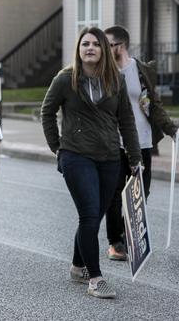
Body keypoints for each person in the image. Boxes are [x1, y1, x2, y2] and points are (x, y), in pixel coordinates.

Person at [41, 26, 142, 299]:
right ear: (78, 49)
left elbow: (127, 121)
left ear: (103, 50)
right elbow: (47, 112)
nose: (90, 48)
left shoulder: (115, 80)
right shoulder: (65, 79)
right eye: (85, 44)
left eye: (95, 44)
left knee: (95, 216)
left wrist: (135, 158)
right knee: (88, 215)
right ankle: (95, 278)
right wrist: (58, 149)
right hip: (76, 156)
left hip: (110, 157)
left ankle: (77, 266)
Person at [103, 25, 178, 261]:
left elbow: (153, 105)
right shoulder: (103, 73)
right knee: (114, 194)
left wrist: (172, 130)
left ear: (121, 46)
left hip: (143, 142)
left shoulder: (142, 71)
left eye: (108, 45)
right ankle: (115, 242)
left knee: (140, 193)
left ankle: (129, 236)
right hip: (115, 144)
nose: (104, 49)